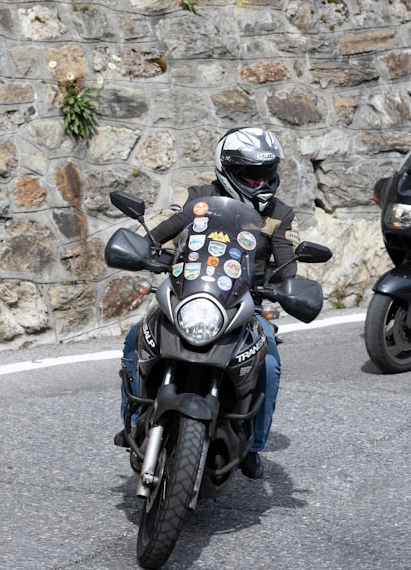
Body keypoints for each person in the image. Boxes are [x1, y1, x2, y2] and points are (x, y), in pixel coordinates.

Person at [115, 126, 300, 480]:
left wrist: (289, 286)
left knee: (270, 363)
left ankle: (253, 445)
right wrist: (146, 248)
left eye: (267, 173)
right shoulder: (200, 199)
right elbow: (164, 231)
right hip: (191, 295)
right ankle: (135, 419)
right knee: (135, 337)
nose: (260, 182)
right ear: (227, 169)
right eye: (251, 174)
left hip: (243, 305)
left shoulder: (279, 214)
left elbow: (287, 263)